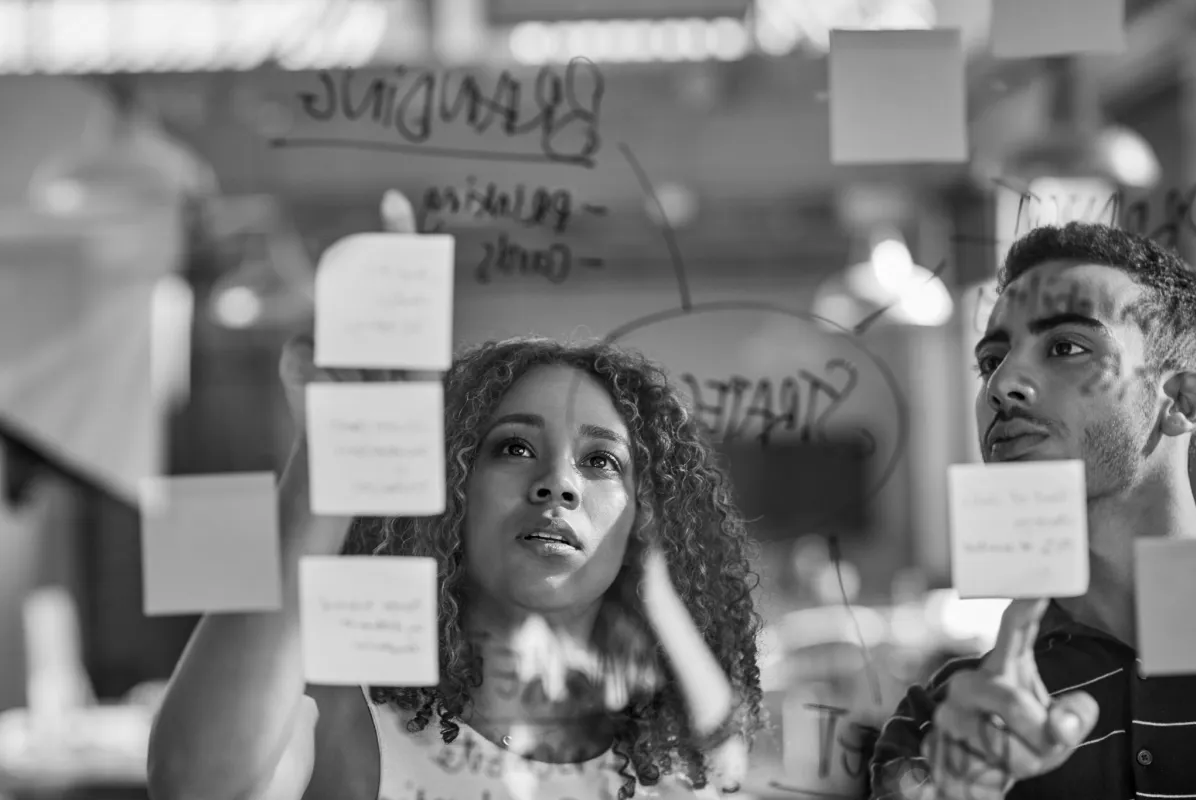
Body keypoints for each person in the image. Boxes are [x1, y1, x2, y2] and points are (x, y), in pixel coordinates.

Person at [146, 192, 764, 800]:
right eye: (515, 448)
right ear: (451, 490)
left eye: (601, 461)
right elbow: (196, 785)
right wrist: (335, 456)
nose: (559, 483)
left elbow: (728, 752)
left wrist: (654, 587)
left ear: (642, 519)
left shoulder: (663, 761)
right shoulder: (353, 718)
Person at [869, 221, 1196, 800]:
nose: (1003, 383)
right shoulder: (945, 723)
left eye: (1067, 346)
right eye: (991, 359)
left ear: (1183, 401)